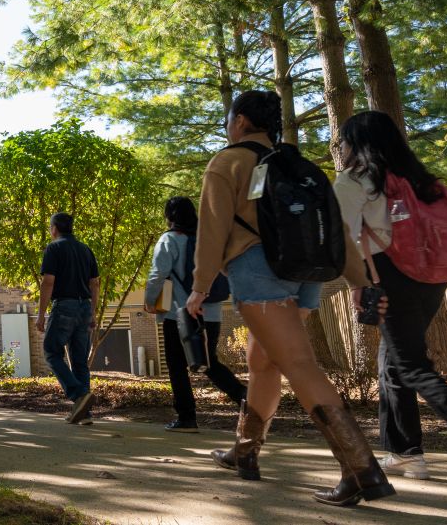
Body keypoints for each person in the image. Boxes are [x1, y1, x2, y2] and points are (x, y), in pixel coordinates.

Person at [187, 89, 394, 506]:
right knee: (262, 362)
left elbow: (212, 229)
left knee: (298, 364)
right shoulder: (298, 165)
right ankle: (244, 452)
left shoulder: (228, 161)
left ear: (242, 120)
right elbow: (334, 231)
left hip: (259, 273)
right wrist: (358, 281)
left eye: (229, 118)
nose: (228, 125)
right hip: (306, 275)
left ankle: (361, 470)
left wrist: (200, 285)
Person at [335, 110, 447, 481]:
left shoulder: (356, 180)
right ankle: (406, 453)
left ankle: (406, 451)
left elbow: (343, 238)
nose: (342, 148)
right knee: (391, 362)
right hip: (434, 277)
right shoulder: (423, 181)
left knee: (412, 365)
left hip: (389, 274)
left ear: (356, 144)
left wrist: (356, 284)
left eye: (343, 141)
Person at [143, 197, 247, 432]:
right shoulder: (208, 239)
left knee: (177, 365)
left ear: (169, 217)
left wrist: (150, 302)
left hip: (178, 315)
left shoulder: (169, 239)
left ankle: (187, 417)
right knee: (209, 362)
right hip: (211, 312)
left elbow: (157, 275)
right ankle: (245, 397)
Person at [37, 212, 100, 426]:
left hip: (64, 305)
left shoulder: (53, 248)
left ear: (54, 228)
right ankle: (84, 414)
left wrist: (40, 315)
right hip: (84, 308)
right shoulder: (85, 250)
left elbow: (48, 282)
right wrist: (92, 312)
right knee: (80, 361)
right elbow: (95, 284)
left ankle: (78, 394)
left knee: (51, 352)